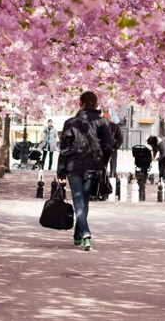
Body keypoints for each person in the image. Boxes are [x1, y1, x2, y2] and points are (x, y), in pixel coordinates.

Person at [56, 91, 112, 251]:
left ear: (80, 103)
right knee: (83, 201)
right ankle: (81, 235)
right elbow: (108, 146)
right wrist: (102, 162)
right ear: (96, 103)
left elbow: (64, 149)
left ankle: (83, 234)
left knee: (78, 199)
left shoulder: (70, 122)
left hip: (73, 166)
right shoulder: (101, 122)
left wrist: (61, 171)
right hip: (93, 166)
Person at [104, 113, 124, 177]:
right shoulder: (100, 127)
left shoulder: (115, 127)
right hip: (103, 149)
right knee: (103, 165)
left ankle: (112, 176)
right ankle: (103, 177)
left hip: (112, 148)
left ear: (110, 118)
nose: (106, 120)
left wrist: (115, 148)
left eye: (107, 118)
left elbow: (120, 139)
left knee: (113, 163)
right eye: (104, 118)